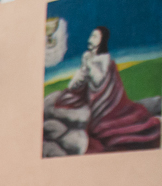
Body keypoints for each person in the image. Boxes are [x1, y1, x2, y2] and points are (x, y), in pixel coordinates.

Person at [46, 26, 161, 154]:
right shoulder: (86, 56)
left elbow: (98, 81)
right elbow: (78, 80)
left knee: (104, 129)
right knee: (64, 101)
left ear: (102, 40)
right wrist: (79, 76)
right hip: (89, 96)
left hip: (103, 100)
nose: (91, 39)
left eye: (94, 37)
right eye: (91, 36)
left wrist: (90, 65)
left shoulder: (103, 58)